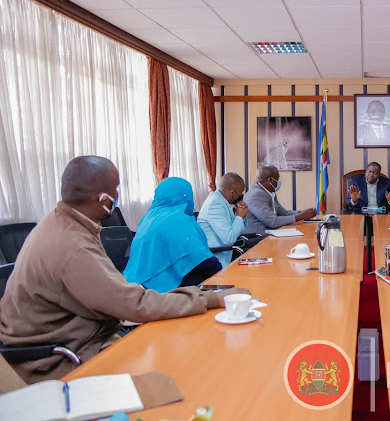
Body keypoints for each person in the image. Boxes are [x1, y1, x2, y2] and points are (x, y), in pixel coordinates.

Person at [0, 156, 249, 383]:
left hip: (83, 334)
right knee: (185, 375)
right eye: (115, 190)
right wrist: (211, 298)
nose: (117, 196)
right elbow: (134, 305)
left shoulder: (63, 223)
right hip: (57, 359)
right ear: (103, 199)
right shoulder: (72, 246)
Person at [124, 177, 223, 291]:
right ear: (185, 196)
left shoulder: (148, 218)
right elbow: (203, 261)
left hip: (138, 286)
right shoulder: (180, 220)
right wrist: (222, 273)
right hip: (167, 290)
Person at [243, 164, 316, 234]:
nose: (278, 182)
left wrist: (302, 212)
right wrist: (302, 216)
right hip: (258, 239)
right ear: (270, 180)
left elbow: (284, 213)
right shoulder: (256, 195)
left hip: (270, 235)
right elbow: (273, 222)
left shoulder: (269, 192)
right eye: (277, 179)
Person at [197, 172, 249, 268]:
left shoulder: (223, 202)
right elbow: (229, 238)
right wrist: (239, 217)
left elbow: (236, 229)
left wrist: (242, 216)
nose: (241, 196)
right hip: (216, 260)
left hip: (227, 254)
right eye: (240, 193)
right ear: (232, 193)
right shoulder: (215, 204)